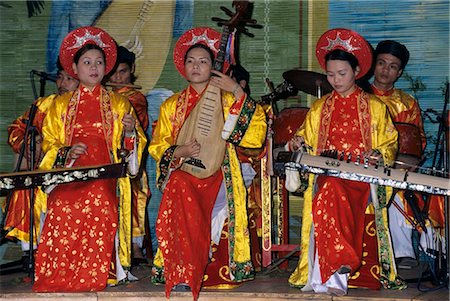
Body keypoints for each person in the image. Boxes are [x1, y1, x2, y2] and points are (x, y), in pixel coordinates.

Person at [149, 27, 267, 300]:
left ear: (214, 67)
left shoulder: (227, 99)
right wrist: (178, 150)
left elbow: (254, 135)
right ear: (183, 66)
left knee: (192, 193)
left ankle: (206, 272)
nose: (196, 66)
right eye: (191, 61)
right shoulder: (172, 106)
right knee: (178, 186)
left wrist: (237, 91)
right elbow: (158, 145)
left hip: (220, 172)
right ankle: (181, 274)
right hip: (185, 174)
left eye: (203, 61)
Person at [286, 28, 405, 295]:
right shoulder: (319, 107)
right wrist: (297, 142)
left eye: (342, 74)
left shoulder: (374, 107)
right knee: (330, 189)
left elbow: (389, 143)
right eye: (330, 74)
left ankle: (338, 267)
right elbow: (304, 137)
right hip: (328, 177)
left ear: (356, 71)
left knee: (334, 190)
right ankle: (336, 269)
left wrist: (379, 156)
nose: (335, 80)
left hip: (361, 178)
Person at [32, 26, 147, 292]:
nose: (93, 68)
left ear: (106, 67)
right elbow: (49, 143)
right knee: (61, 201)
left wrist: (130, 131)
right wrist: (65, 152)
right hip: (70, 171)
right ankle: (59, 275)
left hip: (105, 172)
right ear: (74, 67)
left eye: (99, 62)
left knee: (100, 199)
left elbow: (132, 148)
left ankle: (96, 273)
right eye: (87, 62)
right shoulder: (59, 105)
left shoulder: (119, 103)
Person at [371, 40, 445, 272]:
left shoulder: (407, 103)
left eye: (393, 66)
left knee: (405, 192)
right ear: (373, 65)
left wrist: (408, 164)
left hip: (398, 167)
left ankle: (404, 253)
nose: (385, 69)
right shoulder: (360, 98)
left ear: (399, 72)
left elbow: (417, 141)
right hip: (363, 164)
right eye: (381, 63)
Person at [4, 59, 79, 261]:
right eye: (60, 77)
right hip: (45, 172)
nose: (62, 83)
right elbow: (16, 128)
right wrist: (27, 145)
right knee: (25, 186)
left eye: (70, 79)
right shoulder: (44, 105)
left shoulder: (86, 107)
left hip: (75, 170)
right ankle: (31, 253)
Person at [108, 45, 150, 264]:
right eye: (113, 72)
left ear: (132, 69)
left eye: (122, 72)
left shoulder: (135, 97)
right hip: (104, 159)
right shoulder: (104, 96)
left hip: (129, 161)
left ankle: (135, 245)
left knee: (133, 191)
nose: (117, 77)